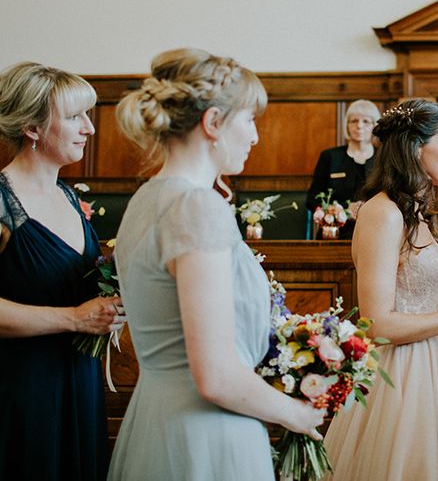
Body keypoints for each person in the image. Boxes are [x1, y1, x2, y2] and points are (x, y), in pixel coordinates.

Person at [107, 49, 325, 480]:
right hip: (205, 435)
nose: (255, 136)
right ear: (213, 123)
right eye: (249, 120)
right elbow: (217, 376)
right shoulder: (196, 206)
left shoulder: (145, 200)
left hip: (155, 417)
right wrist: (294, 414)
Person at [323, 98, 438, 480]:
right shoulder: (382, 212)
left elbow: (422, 301)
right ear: (415, 146)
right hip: (399, 378)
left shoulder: (417, 213)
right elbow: (377, 326)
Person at [0, 62, 125, 481]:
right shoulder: (2, 202)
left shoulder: (69, 197)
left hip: (78, 381)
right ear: (33, 127)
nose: (89, 128)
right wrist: (74, 317)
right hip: (20, 389)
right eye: (75, 117)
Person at [305, 99, 380, 239]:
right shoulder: (330, 156)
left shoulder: (384, 158)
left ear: (375, 125)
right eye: (354, 121)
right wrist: (342, 210)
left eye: (366, 121)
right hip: (334, 233)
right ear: (347, 125)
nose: (359, 126)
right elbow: (312, 200)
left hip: (374, 233)